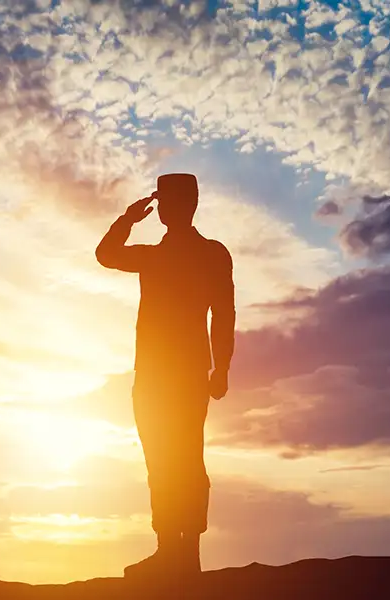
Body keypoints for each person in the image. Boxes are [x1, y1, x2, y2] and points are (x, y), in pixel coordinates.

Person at [95, 173, 236, 579]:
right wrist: (128, 219)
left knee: (181, 459)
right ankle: (170, 550)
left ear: (185, 205)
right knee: (165, 459)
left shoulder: (202, 254)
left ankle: (183, 553)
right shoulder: (162, 256)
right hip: (160, 375)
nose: (172, 209)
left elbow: (223, 313)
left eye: (173, 201)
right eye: (168, 202)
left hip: (178, 374)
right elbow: (106, 255)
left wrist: (222, 365)